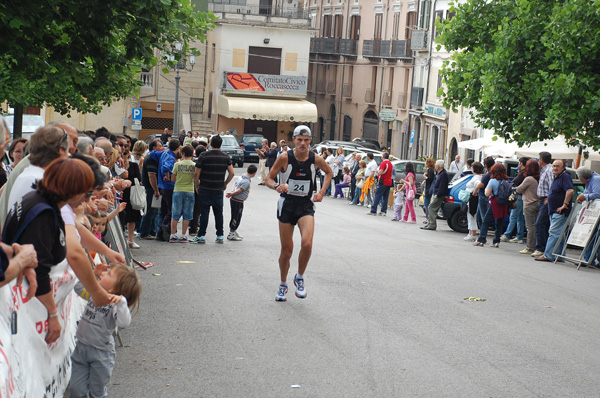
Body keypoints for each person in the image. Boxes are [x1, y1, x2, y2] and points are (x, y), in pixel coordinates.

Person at [2, 157, 96, 344]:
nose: (87, 196)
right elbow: (40, 269)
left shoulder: (39, 200)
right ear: (72, 190)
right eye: (86, 190)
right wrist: (52, 314)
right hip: (26, 311)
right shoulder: (43, 214)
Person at [265, 125, 332, 302]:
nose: (303, 143)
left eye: (306, 140)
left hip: (305, 205)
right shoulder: (284, 157)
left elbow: (329, 173)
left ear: (310, 141)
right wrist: (277, 187)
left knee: (307, 243)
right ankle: (282, 283)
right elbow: (268, 179)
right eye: (299, 140)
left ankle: (300, 277)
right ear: (293, 140)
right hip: (287, 204)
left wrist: (321, 192)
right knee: (287, 251)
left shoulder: (315, 159)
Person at [70, 263, 141, 398]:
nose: (104, 273)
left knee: (97, 391)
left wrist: (122, 303)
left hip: (101, 354)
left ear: (117, 288)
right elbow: (78, 287)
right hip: (81, 348)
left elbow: (124, 322)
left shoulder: (115, 306)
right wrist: (93, 275)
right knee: (76, 389)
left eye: (109, 274)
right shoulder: (95, 293)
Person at [193, 135, 235, 244]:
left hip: (205, 188)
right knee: (218, 213)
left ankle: (201, 236)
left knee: (204, 213)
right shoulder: (225, 157)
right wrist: (225, 183)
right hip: (218, 189)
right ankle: (220, 235)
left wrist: (197, 185)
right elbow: (232, 173)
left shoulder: (203, 155)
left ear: (211, 143)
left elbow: (196, 173)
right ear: (221, 144)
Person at [535, 160, 574, 262]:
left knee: (553, 233)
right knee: (559, 233)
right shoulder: (557, 177)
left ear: (563, 168)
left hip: (560, 211)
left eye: (558, 166)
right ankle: (559, 255)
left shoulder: (565, 177)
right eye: (554, 166)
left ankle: (548, 255)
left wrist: (564, 205)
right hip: (553, 210)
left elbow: (570, 190)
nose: (555, 168)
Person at [474, 163, 510, 247]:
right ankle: (496, 241)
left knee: (486, 221)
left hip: (495, 203)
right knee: (499, 223)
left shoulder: (493, 181)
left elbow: (487, 194)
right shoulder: (506, 180)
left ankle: (481, 239)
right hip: (503, 204)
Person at [152, 139, 180, 241]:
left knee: (164, 210)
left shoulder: (163, 153)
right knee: (172, 210)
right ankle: (163, 228)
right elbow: (165, 167)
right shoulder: (171, 158)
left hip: (161, 185)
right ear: (178, 148)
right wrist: (167, 176)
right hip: (169, 186)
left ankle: (161, 233)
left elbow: (153, 153)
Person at [169, 145, 196, 243]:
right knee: (187, 214)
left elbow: (172, 179)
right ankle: (184, 235)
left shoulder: (177, 164)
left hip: (178, 190)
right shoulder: (194, 165)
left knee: (175, 213)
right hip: (189, 190)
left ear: (183, 153)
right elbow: (195, 177)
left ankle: (172, 235)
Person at [138, 140, 164, 240]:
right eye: (160, 146)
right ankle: (144, 232)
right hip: (150, 188)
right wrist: (156, 190)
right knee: (149, 210)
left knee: (154, 210)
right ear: (154, 148)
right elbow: (151, 176)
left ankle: (152, 231)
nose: (162, 148)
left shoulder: (153, 157)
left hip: (152, 188)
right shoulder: (151, 159)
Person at [225, 164, 257, 241]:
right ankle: (231, 233)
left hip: (235, 200)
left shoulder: (241, 177)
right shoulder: (246, 182)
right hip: (237, 201)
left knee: (235, 215)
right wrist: (232, 193)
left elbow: (235, 184)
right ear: (254, 173)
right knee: (236, 217)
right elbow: (240, 190)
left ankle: (233, 231)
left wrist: (232, 191)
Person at [501, 157, 529, 243]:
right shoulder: (525, 173)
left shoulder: (522, 173)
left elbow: (513, 182)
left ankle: (507, 234)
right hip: (520, 196)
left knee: (513, 216)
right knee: (519, 217)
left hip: (518, 196)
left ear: (521, 163)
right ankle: (519, 236)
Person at [576, 166, 600, 265]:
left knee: (595, 236)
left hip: (597, 212)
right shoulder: (590, 180)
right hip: (593, 212)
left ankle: (591, 260)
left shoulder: (595, 180)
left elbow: (597, 194)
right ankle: (588, 259)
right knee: (591, 236)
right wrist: (583, 195)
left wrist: (584, 196)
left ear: (583, 178)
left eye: (579, 178)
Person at [531, 151, 553, 257]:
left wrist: (549, 197)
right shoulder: (545, 170)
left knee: (540, 223)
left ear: (541, 160)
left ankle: (540, 248)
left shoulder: (549, 170)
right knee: (543, 223)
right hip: (542, 199)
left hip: (546, 200)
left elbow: (552, 185)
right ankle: (543, 247)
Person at [516, 159, 540, 255]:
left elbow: (519, 189)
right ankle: (536, 245)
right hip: (537, 202)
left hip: (529, 203)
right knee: (536, 226)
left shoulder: (529, 179)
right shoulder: (538, 178)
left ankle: (530, 247)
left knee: (530, 227)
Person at [422, 160, 448, 230]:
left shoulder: (443, 174)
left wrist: (438, 194)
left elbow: (442, 185)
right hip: (436, 193)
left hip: (438, 195)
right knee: (430, 207)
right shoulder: (440, 173)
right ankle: (430, 223)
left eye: (436, 165)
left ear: (438, 166)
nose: (435, 166)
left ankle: (432, 225)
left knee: (431, 207)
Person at [474, 156, 495, 228]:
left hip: (483, 196)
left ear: (486, 165)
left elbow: (481, 184)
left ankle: (483, 234)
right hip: (484, 195)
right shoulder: (491, 173)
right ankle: (481, 231)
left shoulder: (488, 174)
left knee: (483, 216)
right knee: (479, 216)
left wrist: (475, 190)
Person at [464, 161, 483, 241]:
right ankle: (470, 233)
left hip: (472, 198)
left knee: (472, 216)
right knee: (470, 215)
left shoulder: (477, 178)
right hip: (470, 198)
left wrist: (474, 191)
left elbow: (478, 184)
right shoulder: (476, 176)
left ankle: (473, 234)